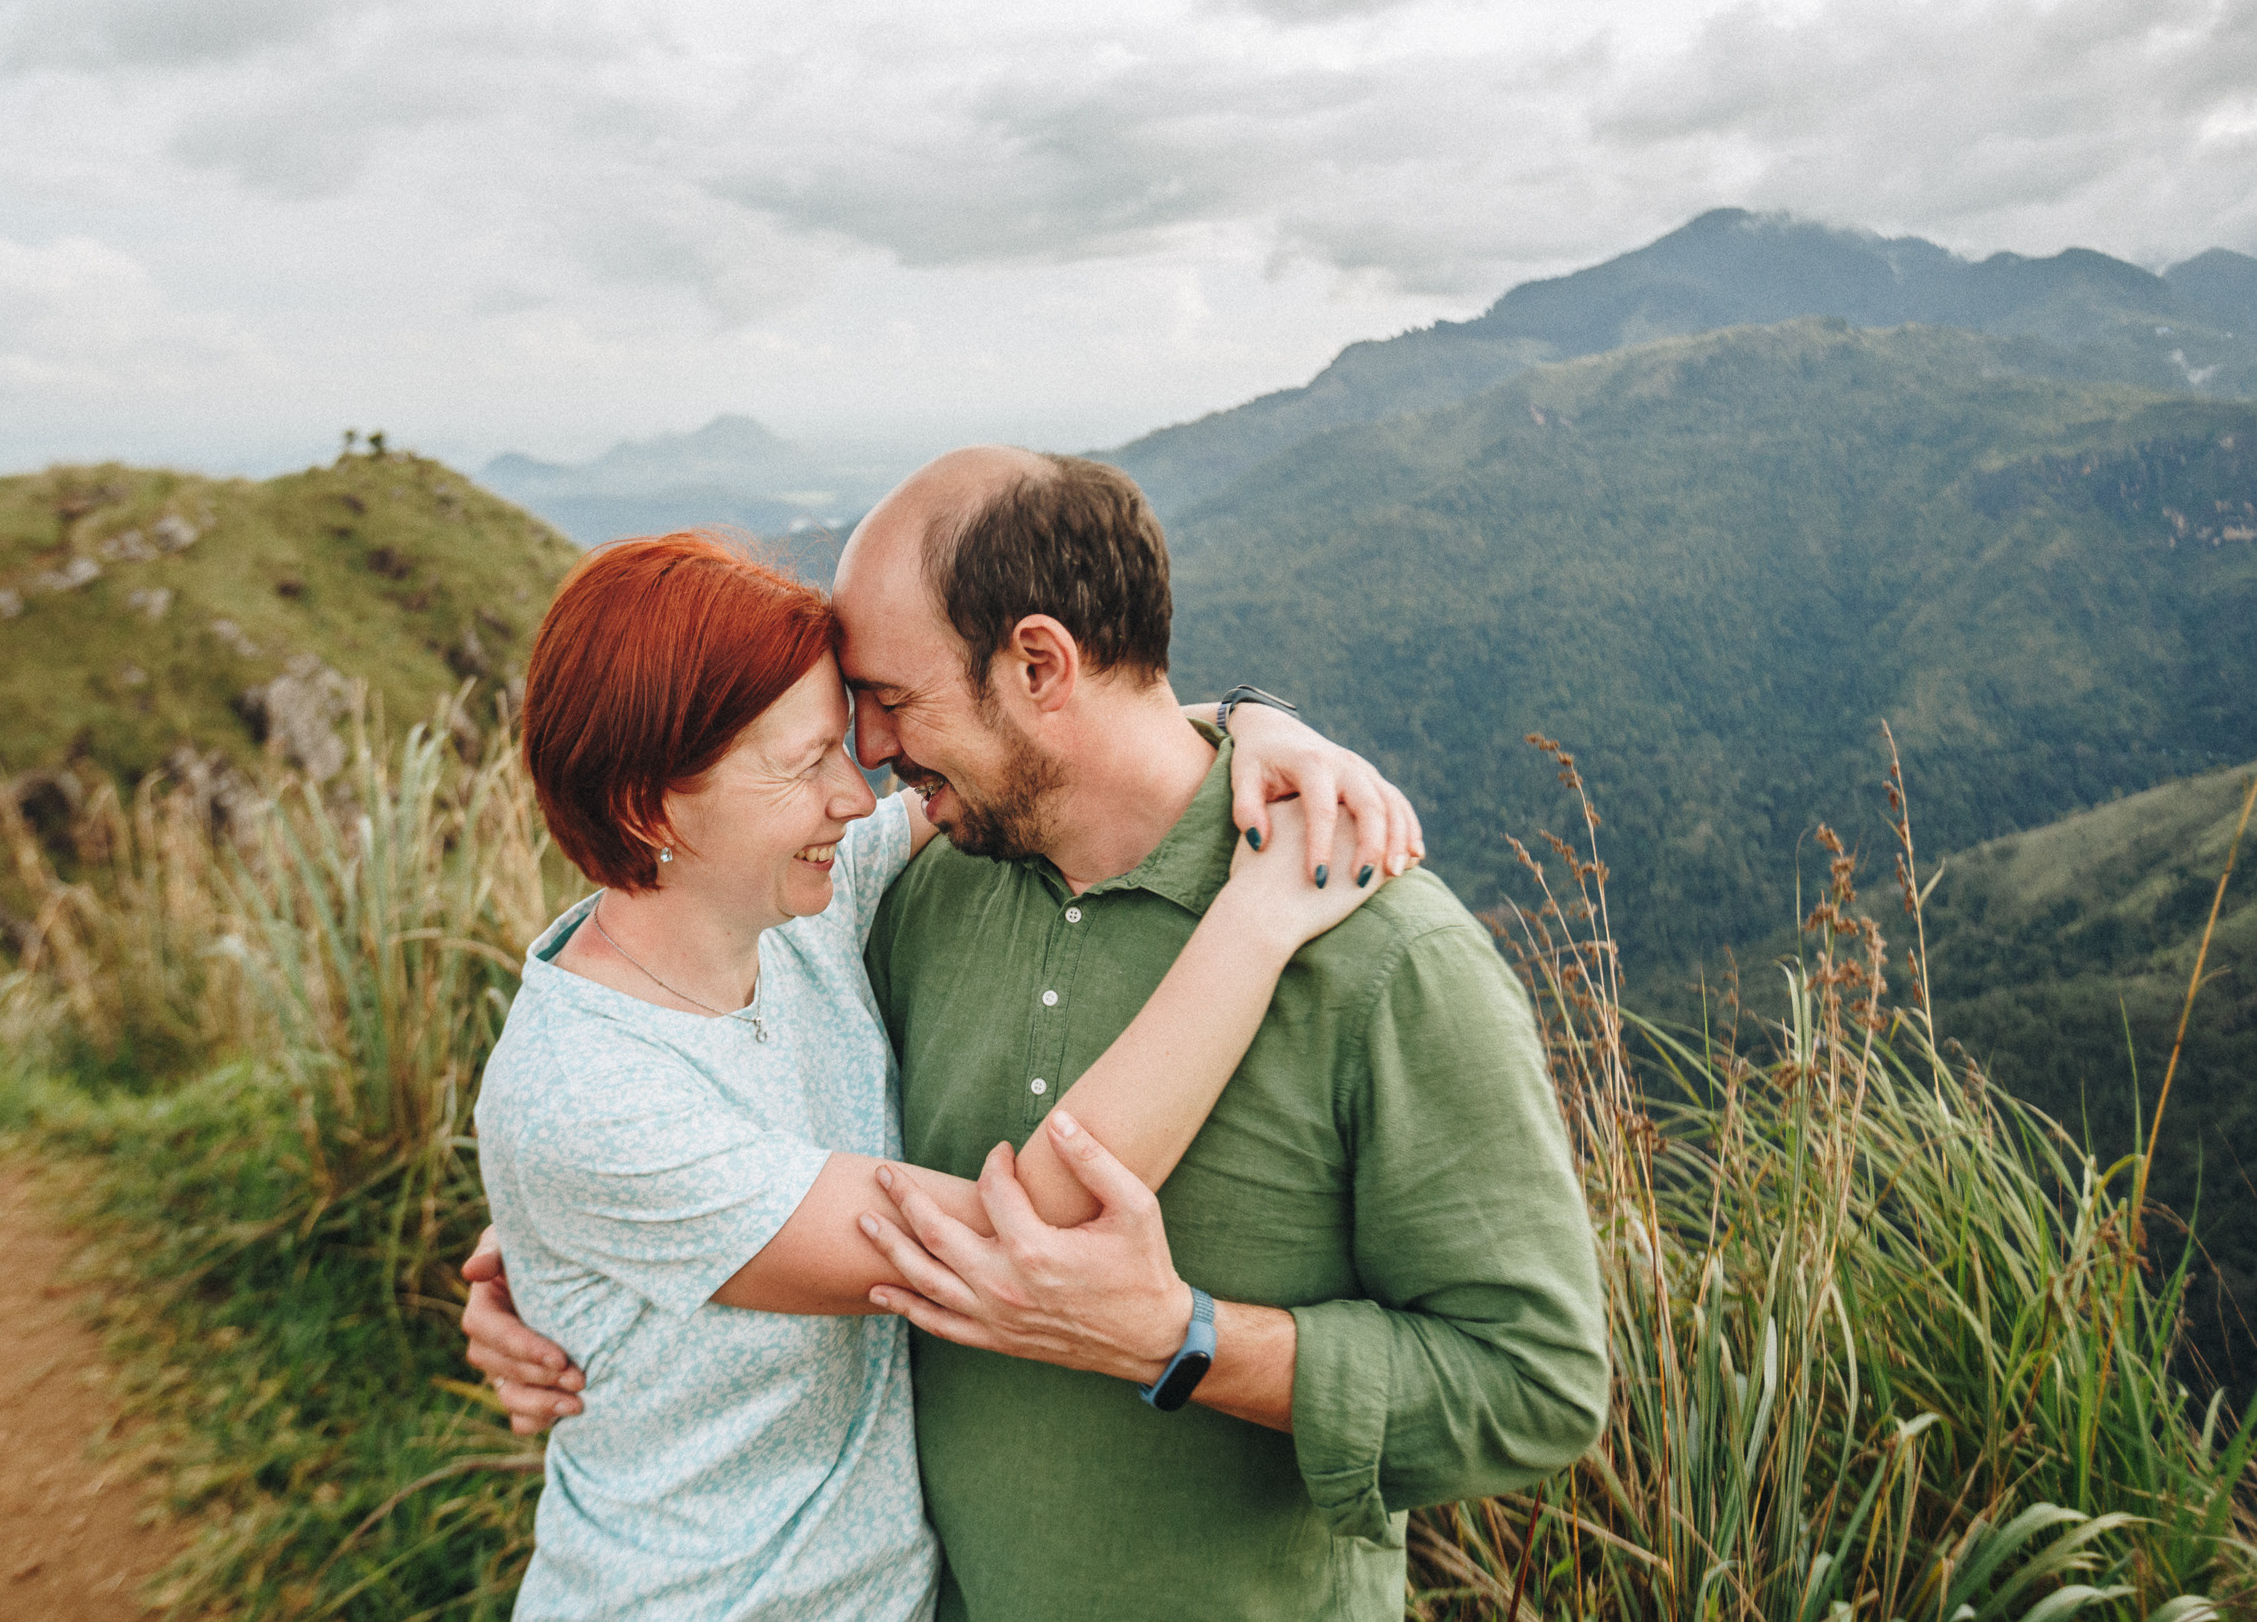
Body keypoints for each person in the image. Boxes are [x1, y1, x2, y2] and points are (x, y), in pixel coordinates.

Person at [469, 448, 1609, 1620]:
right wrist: (573, 1252)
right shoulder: (908, 894)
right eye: (823, 743)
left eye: (889, 706)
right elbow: (682, 1094)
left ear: (1037, 664)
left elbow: (1537, 1386)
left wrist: (1190, 1338)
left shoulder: (1386, 956)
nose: (868, 773)